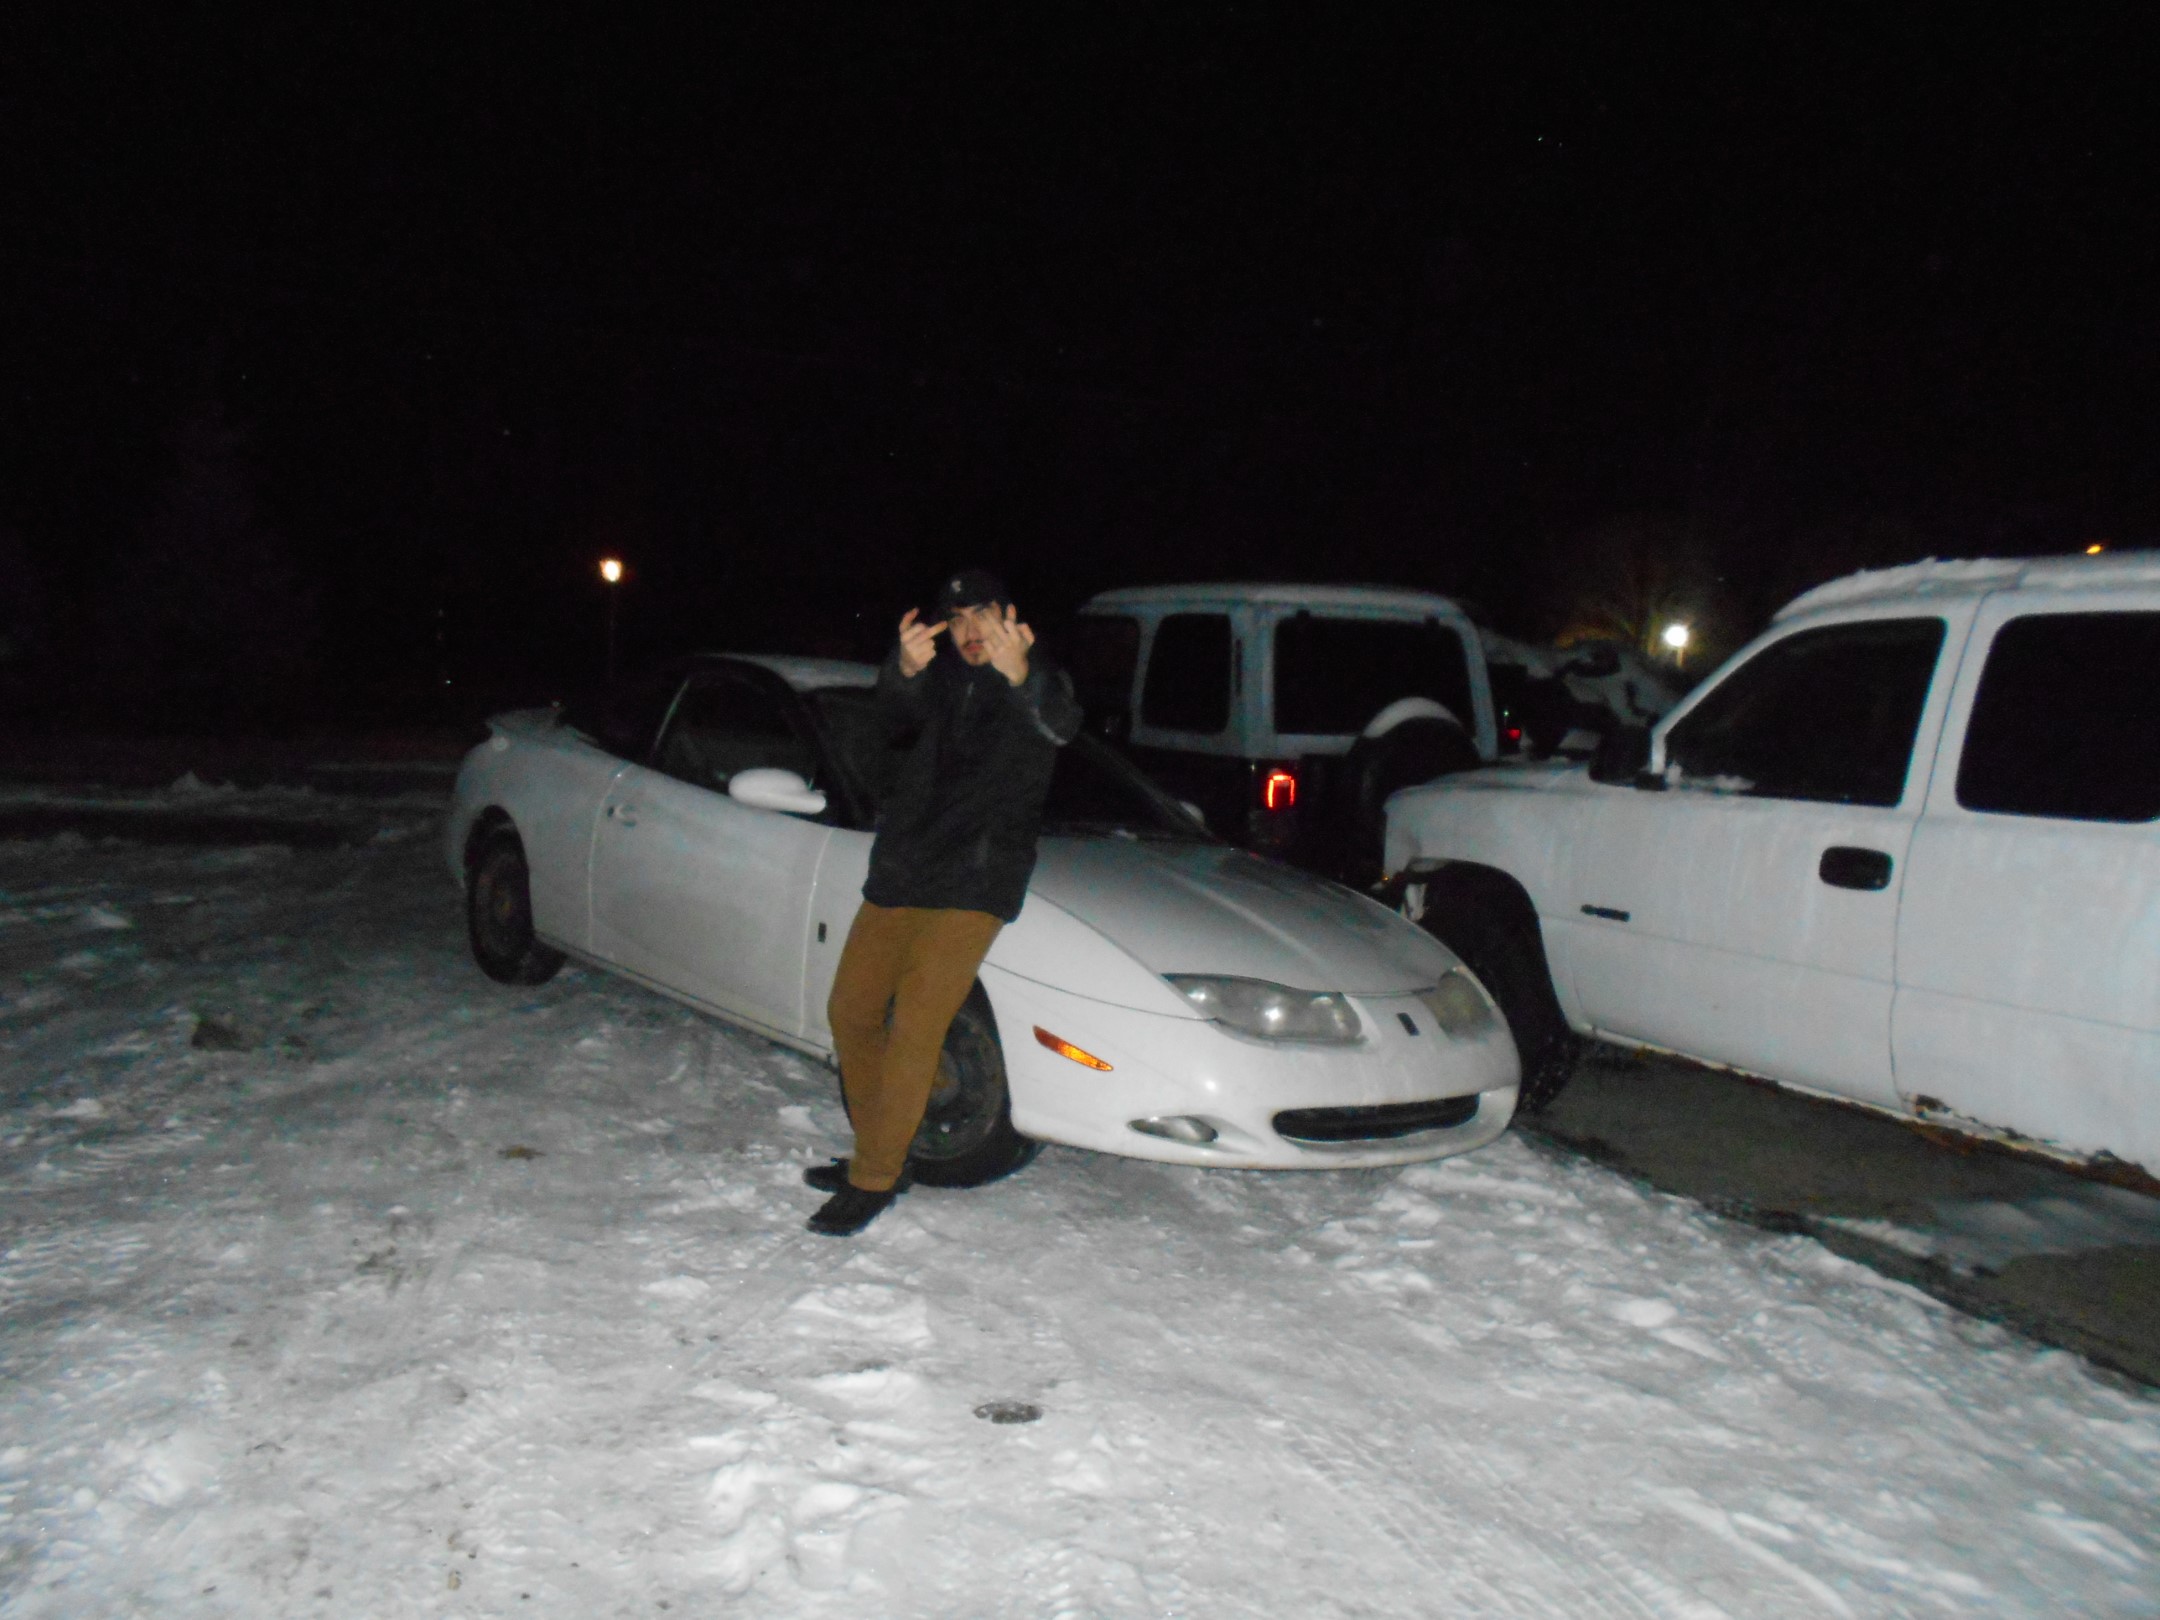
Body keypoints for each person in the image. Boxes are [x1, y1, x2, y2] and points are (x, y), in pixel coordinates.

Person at [805, 567, 1083, 1236]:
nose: (968, 632)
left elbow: (1059, 726)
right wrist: (900, 672)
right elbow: (887, 736)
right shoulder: (935, 680)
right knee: (852, 1011)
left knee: (918, 1027)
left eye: (980, 615)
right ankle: (885, 1148)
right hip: (904, 870)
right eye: (955, 619)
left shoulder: (1035, 680)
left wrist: (1025, 679)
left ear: (1007, 616)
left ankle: (874, 1174)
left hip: (974, 883)